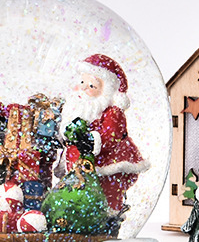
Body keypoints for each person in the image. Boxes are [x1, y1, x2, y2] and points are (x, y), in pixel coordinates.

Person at [59, 54, 149, 212]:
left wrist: (90, 140)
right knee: (79, 191)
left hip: (108, 163)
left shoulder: (113, 112)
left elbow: (110, 135)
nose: (84, 88)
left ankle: (110, 215)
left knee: (107, 191)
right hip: (80, 164)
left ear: (106, 90)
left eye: (92, 85)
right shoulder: (76, 108)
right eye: (82, 82)